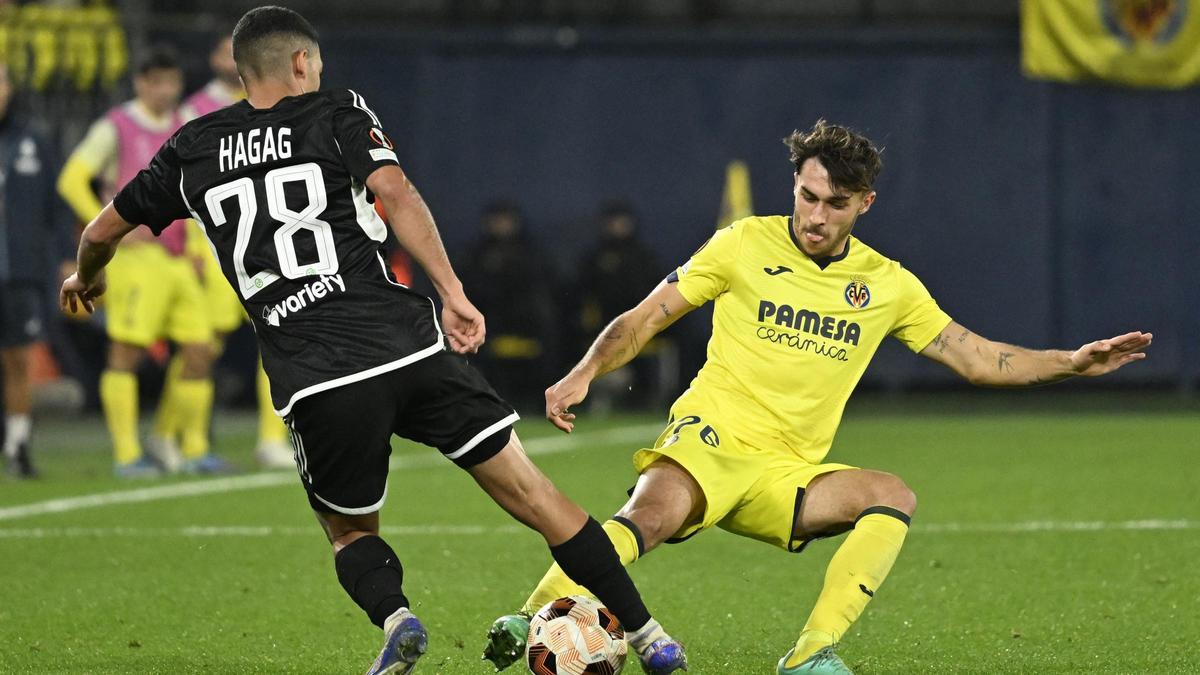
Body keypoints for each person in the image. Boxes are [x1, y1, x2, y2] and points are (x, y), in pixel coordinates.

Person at [60, 7, 686, 674]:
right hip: (405, 345)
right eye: (317, 64)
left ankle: (398, 618)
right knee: (537, 494)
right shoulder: (337, 112)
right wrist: (451, 289)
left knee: (350, 530)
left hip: (317, 376)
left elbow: (100, 232)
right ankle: (651, 636)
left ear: (242, 72)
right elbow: (398, 192)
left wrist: (84, 278)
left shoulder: (192, 148)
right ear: (301, 63)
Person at [482, 120, 1152, 674]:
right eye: (808, 196)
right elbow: (647, 316)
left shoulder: (887, 284)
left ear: (865, 204)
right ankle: (530, 612)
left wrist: (1070, 361)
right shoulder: (744, 242)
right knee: (647, 516)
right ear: (795, 187)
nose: (816, 215)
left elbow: (974, 356)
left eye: (835, 203)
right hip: (712, 438)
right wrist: (583, 372)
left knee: (893, 494)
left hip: (789, 471)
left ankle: (809, 654)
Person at [56, 46, 218, 477]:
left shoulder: (184, 126)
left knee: (200, 349)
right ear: (141, 83)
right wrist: (108, 226)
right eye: (157, 82)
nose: (165, 91)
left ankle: (193, 446)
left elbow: (197, 193)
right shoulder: (117, 126)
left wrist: (200, 250)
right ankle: (127, 454)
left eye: (172, 83)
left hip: (178, 258)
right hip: (136, 257)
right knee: (126, 351)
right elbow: (72, 179)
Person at [176, 33, 294, 470]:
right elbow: (179, 183)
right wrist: (187, 243)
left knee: (278, 334)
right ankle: (179, 439)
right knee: (202, 346)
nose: (231, 58)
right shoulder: (192, 112)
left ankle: (271, 439)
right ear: (212, 58)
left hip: (263, 242)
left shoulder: (271, 104)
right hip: (210, 245)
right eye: (223, 49)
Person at [0, 62, 61, 478]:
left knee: (19, 361)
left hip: (19, 271)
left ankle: (18, 447)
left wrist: (63, 259)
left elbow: (54, 209)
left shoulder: (32, 140)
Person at [460, 201, 558, 411]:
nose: (501, 225)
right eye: (497, 220)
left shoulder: (532, 253)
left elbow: (543, 292)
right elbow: (471, 292)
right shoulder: (476, 255)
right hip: (489, 327)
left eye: (506, 219)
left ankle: (539, 404)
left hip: (529, 328)